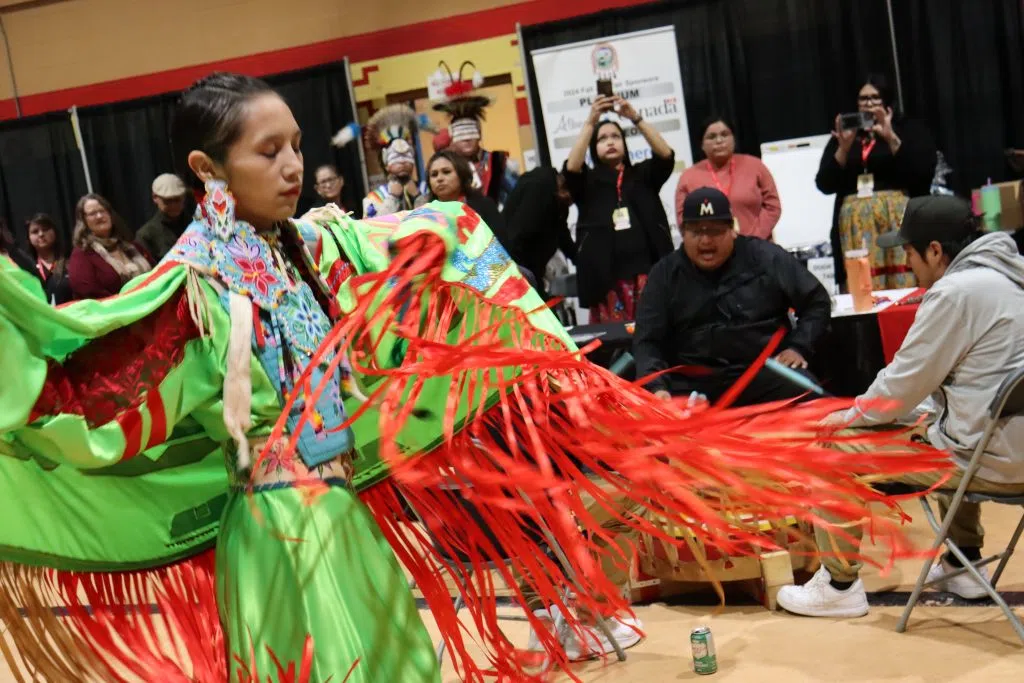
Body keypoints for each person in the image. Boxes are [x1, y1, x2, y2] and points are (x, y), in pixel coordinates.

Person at [0, 73, 957, 683]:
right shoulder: (189, 290)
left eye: (298, 144)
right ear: (209, 169)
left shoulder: (317, 245)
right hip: (278, 531)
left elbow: (436, 245)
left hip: (340, 514)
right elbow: (72, 374)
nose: (294, 165)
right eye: (269, 152)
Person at [776, 196, 1024, 618]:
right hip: (1012, 453)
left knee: (831, 446)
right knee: (941, 421)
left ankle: (838, 585)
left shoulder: (955, 293)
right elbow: (945, 388)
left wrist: (846, 418)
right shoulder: (1010, 279)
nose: (906, 262)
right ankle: (961, 560)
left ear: (934, 250)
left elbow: (899, 388)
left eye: (908, 251)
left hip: (991, 464)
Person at [634, 187, 832, 405]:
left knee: (818, 405)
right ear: (683, 233)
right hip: (692, 382)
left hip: (764, 372)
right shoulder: (664, 273)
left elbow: (817, 302)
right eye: (696, 232)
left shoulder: (765, 257)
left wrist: (798, 346)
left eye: (715, 231)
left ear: (732, 229)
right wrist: (657, 387)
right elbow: (647, 340)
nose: (706, 241)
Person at [816, 74, 936, 289]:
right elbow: (824, 184)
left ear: (886, 100)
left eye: (875, 97)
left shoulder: (907, 129)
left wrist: (890, 138)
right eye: (864, 99)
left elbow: (921, 174)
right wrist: (843, 148)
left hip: (896, 219)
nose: (869, 103)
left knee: (903, 284)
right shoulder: (846, 135)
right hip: (855, 227)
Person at [564, 95, 675, 322]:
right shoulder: (588, 182)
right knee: (613, 349)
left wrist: (635, 117)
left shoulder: (642, 175)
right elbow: (572, 167)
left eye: (616, 136)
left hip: (647, 274)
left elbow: (666, 155)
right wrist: (590, 122)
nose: (610, 141)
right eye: (602, 138)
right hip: (606, 281)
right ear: (594, 148)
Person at [675, 116, 781, 240]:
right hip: (711, 250)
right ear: (702, 144)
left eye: (724, 134)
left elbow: (772, 206)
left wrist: (754, 239)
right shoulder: (688, 177)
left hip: (758, 247)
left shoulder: (755, 166)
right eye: (712, 137)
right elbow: (683, 220)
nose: (719, 140)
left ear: (734, 139)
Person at [432, 64, 518, 206]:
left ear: (479, 133)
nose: (466, 138)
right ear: (453, 136)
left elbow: (515, 198)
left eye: (470, 131)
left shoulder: (498, 162)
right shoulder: (446, 168)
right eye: (461, 133)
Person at [500, 166, 576, 299]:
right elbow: (520, 232)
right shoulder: (539, 189)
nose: (570, 200)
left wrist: (579, 259)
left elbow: (562, 234)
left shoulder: (557, 199)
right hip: (516, 272)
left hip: (527, 271)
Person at [67, 193, 153, 299]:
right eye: (93, 213)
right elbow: (89, 293)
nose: (99, 216)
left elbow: (156, 272)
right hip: (116, 313)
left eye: (102, 211)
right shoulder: (82, 254)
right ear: (83, 220)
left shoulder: (131, 245)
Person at [362, 104, 427, 217]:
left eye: (407, 156)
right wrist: (393, 198)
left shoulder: (425, 189)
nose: (402, 162)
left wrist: (418, 197)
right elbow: (372, 226)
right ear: (386, 163)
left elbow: (435, 220)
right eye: (396, 157)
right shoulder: (375, 197)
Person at [425, 149, 504, 239]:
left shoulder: (484, 206)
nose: (439, 178)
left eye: (446, 172)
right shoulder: (425, 215)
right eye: (434, 175)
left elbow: (501, 245)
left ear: (461, 175)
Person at [136, 173, 191, 262]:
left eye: (177, 200)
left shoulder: (196, 222)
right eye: (167, 201)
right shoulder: (146, 235)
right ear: (155, 198)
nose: (173, 206)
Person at [25, 213, 72, 304]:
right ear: (28, 237)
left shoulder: (71, 260)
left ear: (54, 232)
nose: (41, 234)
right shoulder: (26, 266)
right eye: (35, 231)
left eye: (45, 229)